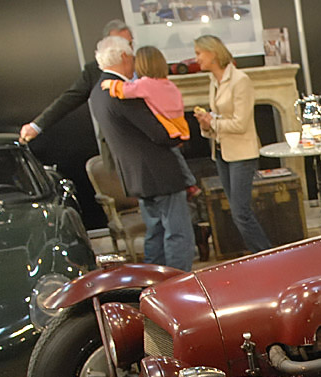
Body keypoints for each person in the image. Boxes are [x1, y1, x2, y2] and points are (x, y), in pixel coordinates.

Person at [89, 35, 195, 271]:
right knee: (178, 235)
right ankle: (179, 284)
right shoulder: (122, 94)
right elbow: (159, 134)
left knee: (155, 233)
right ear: (125, 57)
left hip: (137, 176)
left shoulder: (98, 92)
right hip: (161, 174)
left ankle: (152, 283)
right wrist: (178, 136)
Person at [192, 34, 272, 253]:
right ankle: (262, 254)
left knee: (241, 213)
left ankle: (265, 253)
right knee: (239, 212)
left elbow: (241, 123)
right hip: (221, 153)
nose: (196, 58)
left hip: (242, 154)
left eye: (199, 53)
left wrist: (213, 122)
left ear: (213, 53)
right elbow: (219, 119)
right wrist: (206, 124)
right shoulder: (213, 82)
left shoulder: (240, 80)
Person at [101, 45, 199, 194]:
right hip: (179, 124)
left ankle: (189, 183)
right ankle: (190, 182)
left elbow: (126, 91)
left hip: (166, 127)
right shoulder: (169, 84)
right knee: (176, 155)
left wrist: (111, 84)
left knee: (174, 156)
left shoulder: (145, 84)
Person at [19, 20, 133, 145]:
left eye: (129, 43)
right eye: (120, 45)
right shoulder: (94, 71)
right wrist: (36, 126)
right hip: (114, 143)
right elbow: (69, 99)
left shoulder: (144, 65)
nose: (127, 50)